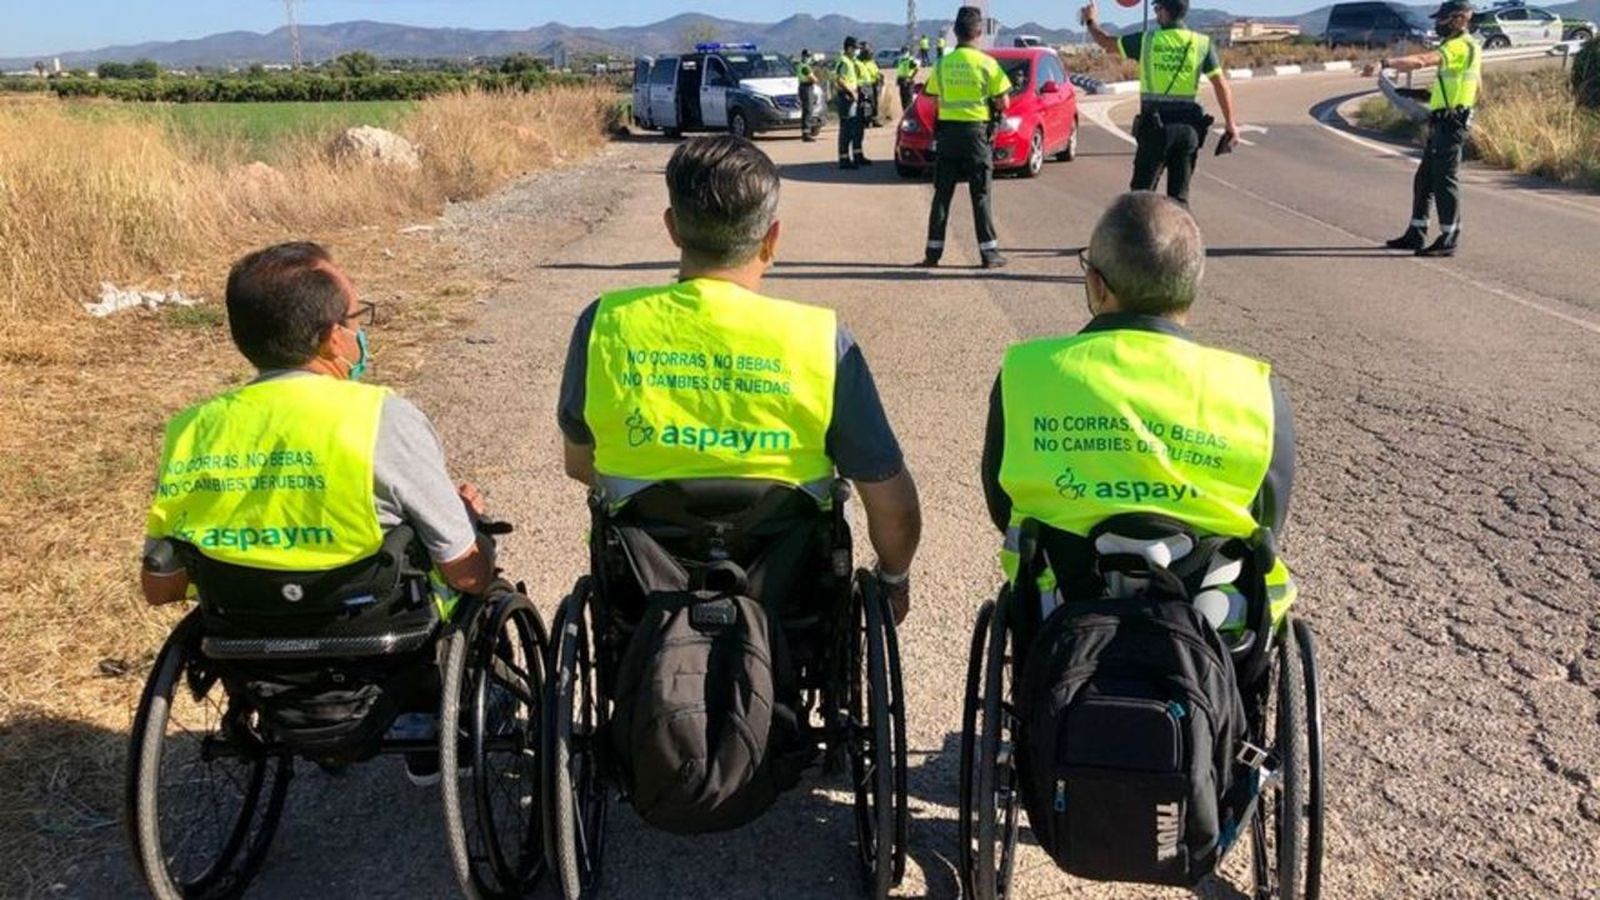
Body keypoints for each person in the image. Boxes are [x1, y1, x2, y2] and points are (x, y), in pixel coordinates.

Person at [141, 241, 499, 785]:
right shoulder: (380, 417)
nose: (359, 331)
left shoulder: (192, 428)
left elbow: (161, 587)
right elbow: (462, 571)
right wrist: (467, 523)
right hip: (377, 636)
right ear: (333, 335)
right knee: (464, 561)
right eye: (356, 318)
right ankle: (435, 713)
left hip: (245, 638)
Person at [557, 136, 923, 621]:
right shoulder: (820, 339)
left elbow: (582, 464)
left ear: (672, 229)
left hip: (644, 600)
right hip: (788, 602)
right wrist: (893, 580)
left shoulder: (604, 323)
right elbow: (892, 505)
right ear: (771, 238)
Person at [981, 192, 1296, 625]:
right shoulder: (1253, 389)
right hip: (1209, 625)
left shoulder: (1027, 371)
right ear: (1193, 282)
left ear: (1096, 284)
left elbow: (1003, 506)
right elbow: (1266, 521)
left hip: (1064, 610)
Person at [1083, 0, 1242, 205]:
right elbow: (1221, 84)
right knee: (1179, 199)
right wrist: (1231, 124)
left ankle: (1140, 236)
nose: (1156, 13)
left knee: (1140, 199)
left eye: (1157, 8)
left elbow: (1105, 42)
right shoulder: (1201, 43)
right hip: (1188, 131)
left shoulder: (1148, 40)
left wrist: (1090, 20)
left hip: (1155, 130)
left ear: (1165, 11)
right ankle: (1180, 236)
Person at [1382, 0, 1481, 258]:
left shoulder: (1459, 46)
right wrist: (1416, 93)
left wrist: (1386, 63)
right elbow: (1449, 89)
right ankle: (1416, 233)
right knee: (1425, 179)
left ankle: (1449, 237)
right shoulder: (1459, 46)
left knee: (1444, 180)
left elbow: (1423, 61)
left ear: (1460, 19)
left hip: (1452, 123)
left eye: (1443, 19)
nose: (1438, 24)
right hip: (1443, 121)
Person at [919, 6, 1013, 270]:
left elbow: (931, 96)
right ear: (979, 33)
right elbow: (1003, 101)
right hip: (976, 136)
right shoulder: (987, 63)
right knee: (980, 193)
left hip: (948, 135)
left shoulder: (943, 63)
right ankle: (989, 254)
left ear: (956, 33)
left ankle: (932, 253)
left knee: (942, 195)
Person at [834, 36, 867, 168]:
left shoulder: (850, 61)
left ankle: (854, 156)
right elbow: (840, 80)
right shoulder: (844, 61)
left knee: (853, 127)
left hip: (852, 96)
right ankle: (844, 159)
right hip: (846, 97)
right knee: (846, 129)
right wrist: (851, 92)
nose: (857, 51)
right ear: (848, 48)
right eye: (855, 48)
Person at [795, 48, 820, 142]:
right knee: (808, 110)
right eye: (807, 56)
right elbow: (814, 79)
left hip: (804, 87)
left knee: (807, 110)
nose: (808, 58)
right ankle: (806, 133)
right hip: (806, 87)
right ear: (803, 56)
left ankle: (806, 131)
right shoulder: (805, 67)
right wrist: (815, 79)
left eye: (809, 56)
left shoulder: (801, 65)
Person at [895, 47, 919, 114]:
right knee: (903, 99)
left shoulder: (910, 60)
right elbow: (900, 70)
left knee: (909, 98)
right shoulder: (900, 60)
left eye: (905, 52)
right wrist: (898, 78)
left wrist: (910, 78)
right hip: (901, 80)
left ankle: (910, 114)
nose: (903, 53)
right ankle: (905, 113)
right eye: (902, 52)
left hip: (908, 81)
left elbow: (916, 69)